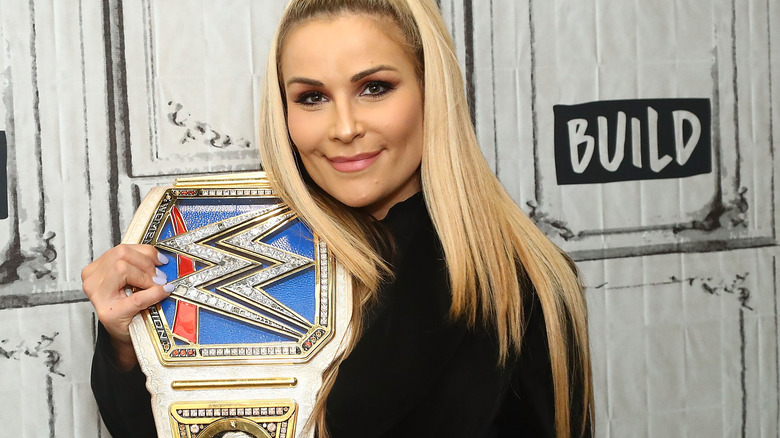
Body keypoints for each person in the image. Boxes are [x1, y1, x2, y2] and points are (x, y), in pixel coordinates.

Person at [83, 0, 594, 437]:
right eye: (312, 98)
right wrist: (126, 344)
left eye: (374, 88)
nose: (344, 128)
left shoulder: (524, 282)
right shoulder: (236, 252)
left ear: (430, 90)